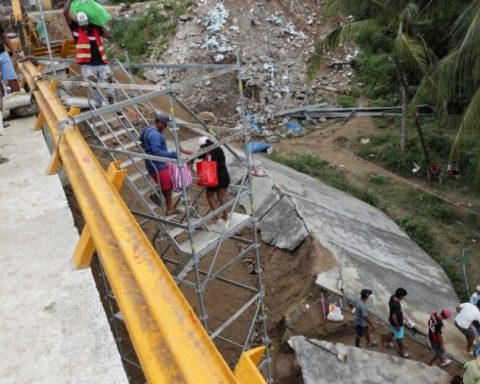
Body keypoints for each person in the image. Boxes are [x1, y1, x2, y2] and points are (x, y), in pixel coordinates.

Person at [64, 0, 114, 106]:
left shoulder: (95, 28)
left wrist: (99, 22)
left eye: (86, 24)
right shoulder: (75, 29)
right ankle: (98, 105)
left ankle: (111, 102)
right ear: (78, 23)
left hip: (102, 63)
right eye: (82, 25)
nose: (84, 26)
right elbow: (65, 12)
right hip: (87, 66)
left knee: (109, 83)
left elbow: (108, 35)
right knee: (93, 87)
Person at [139, 113, 191, 215]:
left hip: (155, 163)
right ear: (160, 122)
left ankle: (159, 198)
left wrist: (146, 149)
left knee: (167, 183)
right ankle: (168, 207)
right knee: (167, 185)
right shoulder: (155, 135)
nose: (166, 127)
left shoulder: (148, 129)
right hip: (157, 164)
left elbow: (140, 139)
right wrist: (173, 154)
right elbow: (157, 152)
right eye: (165, 125)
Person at [198, 136, 230, 221]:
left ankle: (217, 216)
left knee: (209, 195)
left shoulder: (207, 152)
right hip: (224, 176)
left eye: (201, 147)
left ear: (204, 145)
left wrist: (182, 150)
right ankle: (226, 216)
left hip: (213, 177)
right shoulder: (218, 149)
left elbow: (196, 154)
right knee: (221, 196)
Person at [382, 287, 409, 357]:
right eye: (404, 296)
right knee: (399, 337)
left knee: (392, 332)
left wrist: (401, 315)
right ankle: (401, 350)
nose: (404, 298)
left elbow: (393, 312)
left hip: (391, 321)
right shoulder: (396, 305)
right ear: (401, 296)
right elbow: (394, 316)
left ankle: (385, 343)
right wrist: (397, 326)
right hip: (397, 323)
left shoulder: (392, 297)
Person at [0, 24, 21, 94]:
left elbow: (5, 37)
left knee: (12, 77)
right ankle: (2, 101)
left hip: (3, 54)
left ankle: (19, 99)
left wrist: (13, 50)